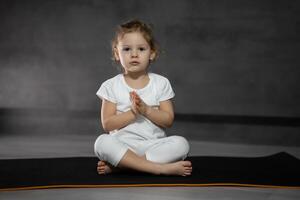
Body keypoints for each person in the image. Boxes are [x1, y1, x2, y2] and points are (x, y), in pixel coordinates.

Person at [94, 19, 192, 176]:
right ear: (116, 53)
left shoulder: (161, 83)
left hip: (153, 145)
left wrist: (146, 110)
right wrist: (133, 112)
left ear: (151, 53)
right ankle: (160, 169)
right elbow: (108, 125)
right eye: (126, 49)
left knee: (182, 144)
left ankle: (123, 166)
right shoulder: (110, 86)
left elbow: (168, 120)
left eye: (141, 49)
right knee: (101, 143)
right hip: (124, 146)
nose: (134, 54)